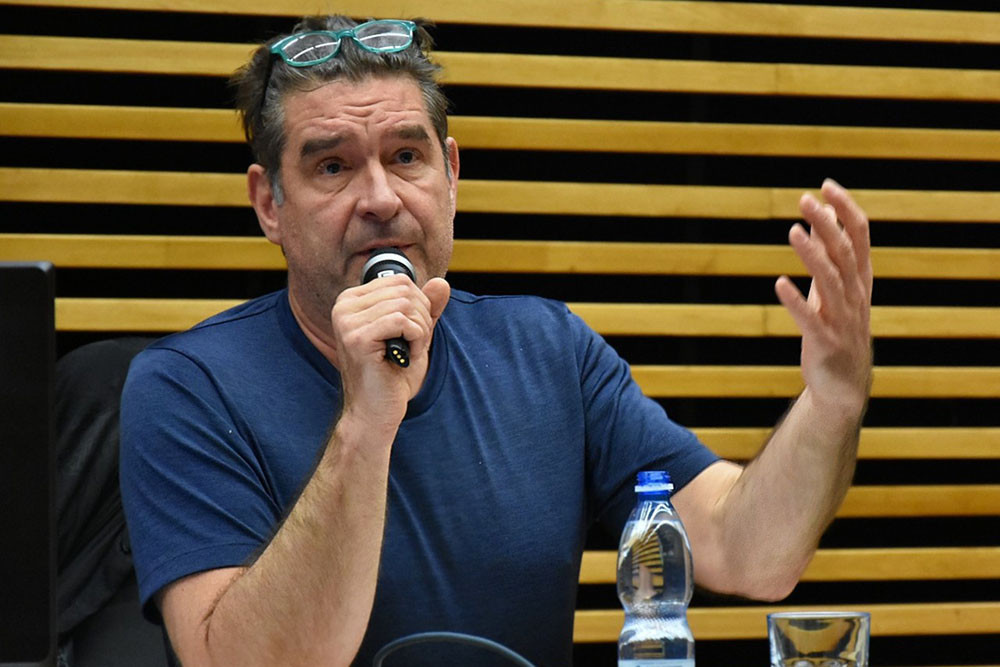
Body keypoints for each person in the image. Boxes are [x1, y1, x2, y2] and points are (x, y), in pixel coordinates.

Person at [119, 14, 873, 667]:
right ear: (269, 204)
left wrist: (833, 401)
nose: (380, 198)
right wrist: (366, 423)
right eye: (333, 166)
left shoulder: (546, 350)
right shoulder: (187, 387)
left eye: (406, 157)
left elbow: (750, 551)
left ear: (450, 175)